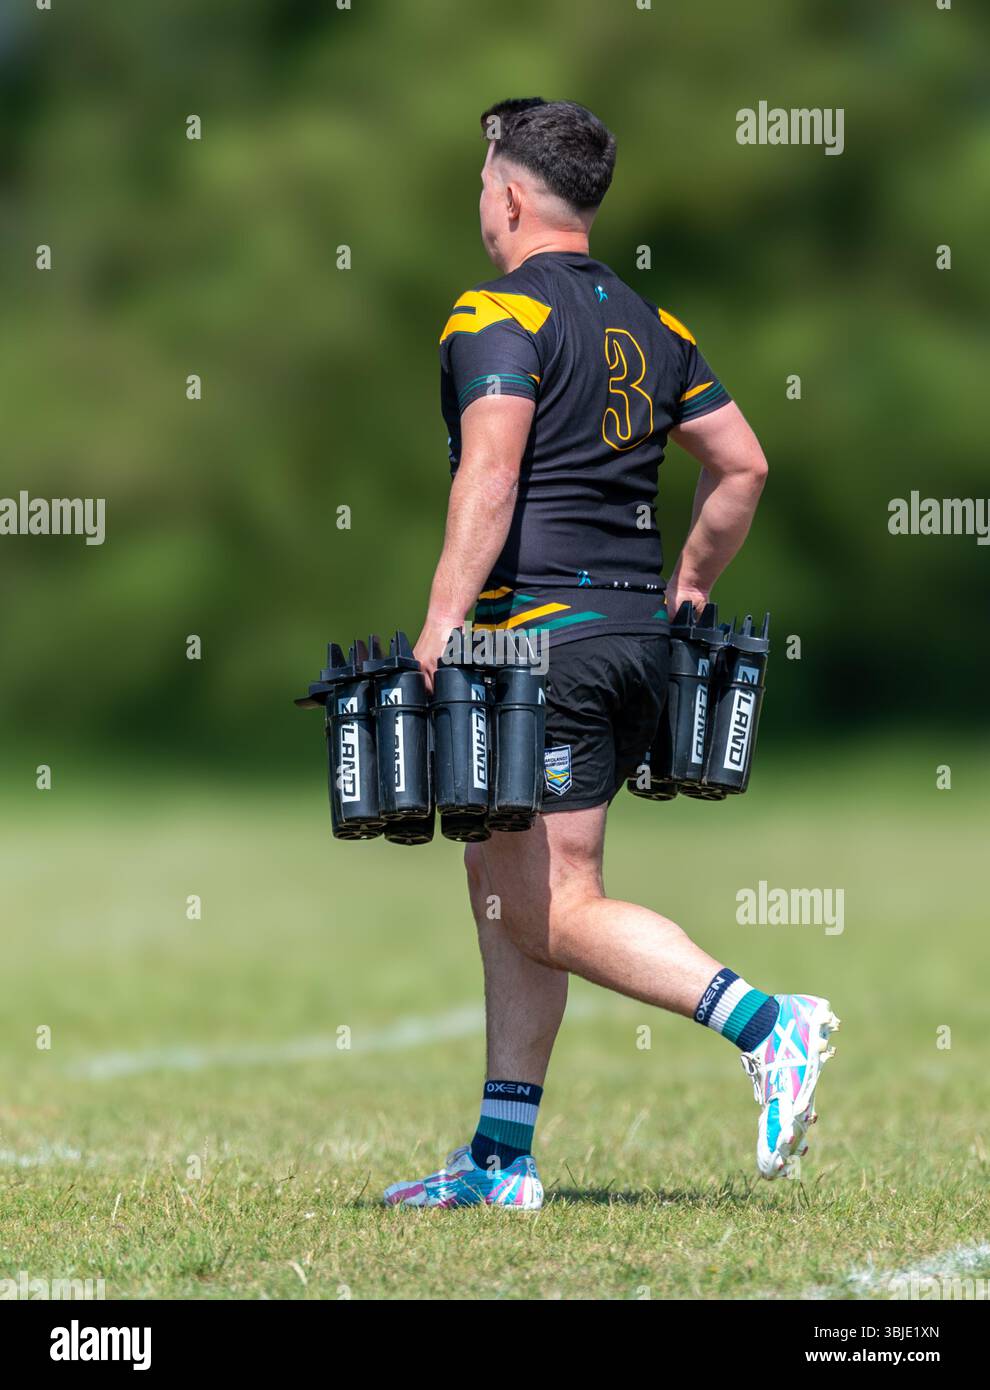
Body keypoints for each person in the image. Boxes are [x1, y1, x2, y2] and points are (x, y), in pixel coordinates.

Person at [385, 98, 838, 1210]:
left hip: (542, 645)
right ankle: (500, 1157)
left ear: (507, 195)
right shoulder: (652, 321)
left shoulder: (492, 310)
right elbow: (742, 465)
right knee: (501, 879)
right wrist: (688, 585)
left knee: (555, 906)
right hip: (632, 636)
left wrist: (442, 619)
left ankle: (769, 1023)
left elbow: (489, 475)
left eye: (481, 179)